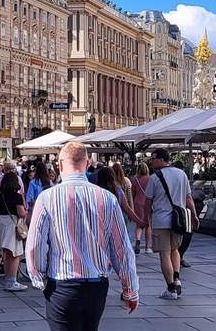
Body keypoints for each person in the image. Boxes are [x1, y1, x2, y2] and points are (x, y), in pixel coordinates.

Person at [26, 141, 138, 331]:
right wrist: (130, 290)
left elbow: (35, 245)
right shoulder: (107, 198)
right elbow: (122, 248)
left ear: (60, 165)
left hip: (61, 284)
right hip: (97, 285)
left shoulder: (47, 198)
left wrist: (39, 278)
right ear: (87, 165)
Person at [144, 148, 200, 300]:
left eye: (154, 158)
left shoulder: (155, 178)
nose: (152, 161)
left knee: (164, 253)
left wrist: (145, 219)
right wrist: (194, 215)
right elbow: (188, 198)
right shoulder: (181, 174)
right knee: (175, 250)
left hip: (161, 220)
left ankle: (170, 288)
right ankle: (176, 278)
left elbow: (148, 201)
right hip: (179, 220)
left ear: (163, 159)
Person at [0, 171, 28, 291]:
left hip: (2, 223)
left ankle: (8, 279)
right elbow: (21, 213)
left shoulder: (1, 196)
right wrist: (25, 212)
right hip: (12, 225)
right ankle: (12, 281)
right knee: (15, 254)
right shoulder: (17, 196)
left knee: (6, 254)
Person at [131, 163, 152, 254]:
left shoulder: (135, 180)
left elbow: (133, 193)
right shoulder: (150, 179)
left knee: (139, 224)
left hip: (137, 203)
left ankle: (138, 241)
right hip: (148, 203)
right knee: (148, 225)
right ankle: (148, 247)